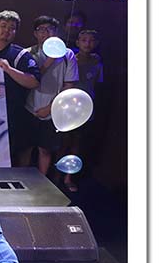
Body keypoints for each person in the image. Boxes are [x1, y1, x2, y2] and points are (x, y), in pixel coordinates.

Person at [0, 10, 41, 166]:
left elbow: (34, 82)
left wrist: (9, 69)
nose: (7, 30)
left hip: (13, 118)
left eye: (12, 28)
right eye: (3, 26)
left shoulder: (21, 55)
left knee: (13, 160)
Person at [20, 16, 79, 176]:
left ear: (56, 32)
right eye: (41, 29)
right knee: (25, 148)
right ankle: (21, 181)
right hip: (28, 108)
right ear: (35, 33)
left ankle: (41, 183)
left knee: (45, 150)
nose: (45, 33)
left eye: (50, 29)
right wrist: (49, 61)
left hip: (53, 112)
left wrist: (50, 108)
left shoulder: (68, 55)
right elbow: (30, 80)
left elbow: (69, 86)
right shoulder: (28, 53)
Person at [61, 29, 103, 192]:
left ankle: (68, 177)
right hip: (67, 107)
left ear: (96, 43)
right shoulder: (71, 59)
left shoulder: (97, 62)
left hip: (86, 109)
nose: (87, 44)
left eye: (91, 40)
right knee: (63, 142)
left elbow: (97, 84)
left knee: (77, 143)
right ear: (78, 42)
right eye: (84, 40)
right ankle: (55, 176)